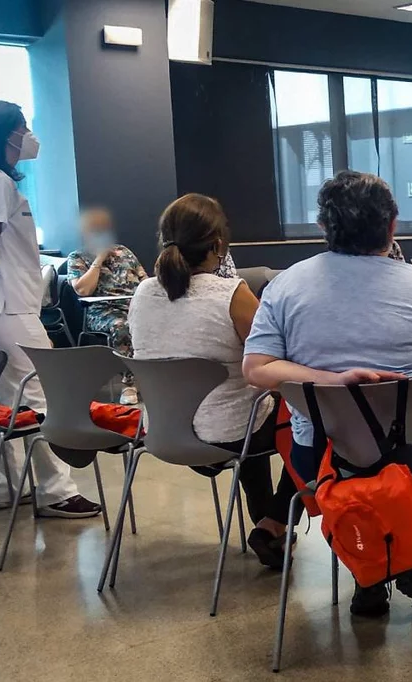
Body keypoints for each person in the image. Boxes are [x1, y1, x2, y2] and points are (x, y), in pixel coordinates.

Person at [243, 170, 412, 618]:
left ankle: (367, 576)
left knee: (350, 474)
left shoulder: (285, 287)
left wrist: (331, 381)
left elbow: (256, 369)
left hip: (323, 456)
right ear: (392, 228)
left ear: (322, 228)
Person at [0, 100, 100, 517]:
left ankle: (12, 486)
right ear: (5, 135)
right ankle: (56, 492)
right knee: (40, 397)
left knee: (5, 400)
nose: (29, 136)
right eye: (23, 128)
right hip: (7, 310)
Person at [127, 194, 296, 568]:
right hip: (230, 433)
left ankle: (268, 525)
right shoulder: (232, 294)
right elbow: (276, 358)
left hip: (164, 432)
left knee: (249, 405)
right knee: (309, 419)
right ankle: (275, 521)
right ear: (219, 244)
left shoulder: (142, 293)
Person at [66, 208, 146, 404]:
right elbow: (82, 290)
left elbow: (144, 279)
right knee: (122, 327)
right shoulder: (77, 258)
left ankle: (160, 378)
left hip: (135, 305)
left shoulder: (124, 252)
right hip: (103, 311)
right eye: (95, 229)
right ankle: (129, 384)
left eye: (104, 228)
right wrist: (99, 259)